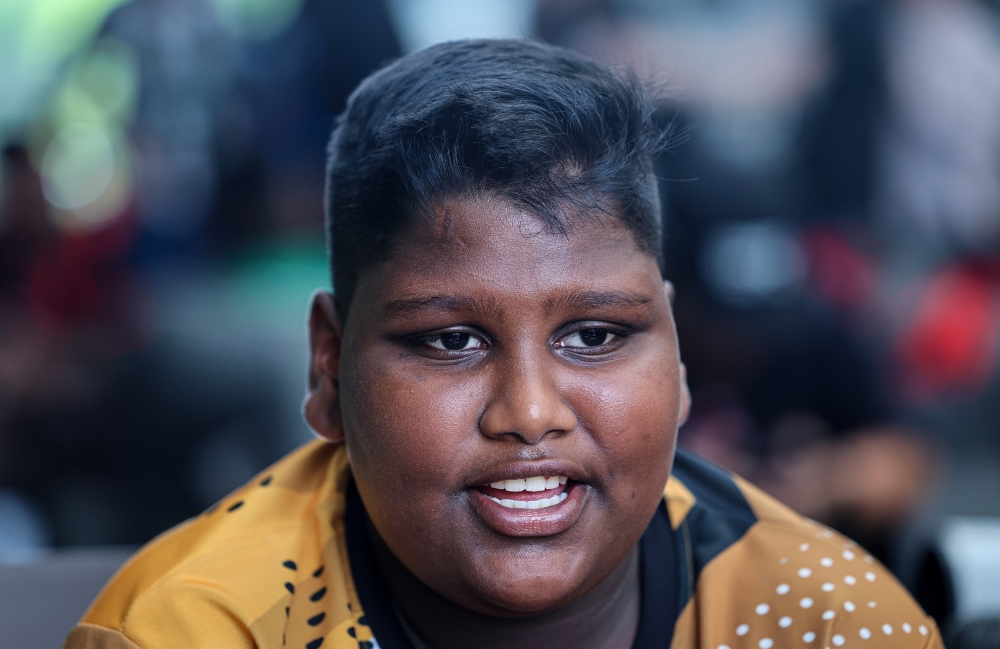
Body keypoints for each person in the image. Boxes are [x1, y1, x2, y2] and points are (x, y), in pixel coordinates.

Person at [63, 39, 942, 649]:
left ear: (675, 357)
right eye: (450, 340)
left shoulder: (827, 622)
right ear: (329, 366)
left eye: (595, 335)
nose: (529, 411)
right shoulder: (195, 628)